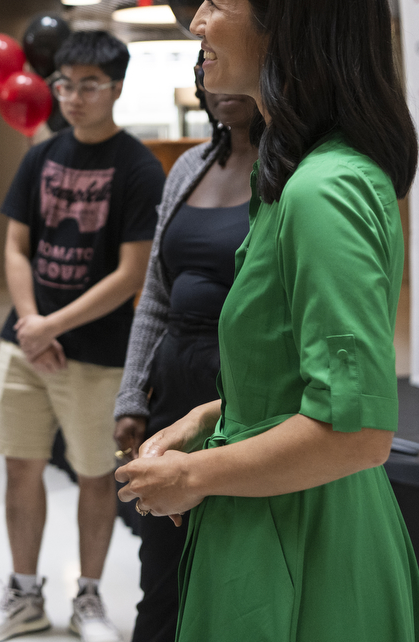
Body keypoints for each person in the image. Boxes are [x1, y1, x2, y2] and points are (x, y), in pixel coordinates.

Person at [115, 0, 419, 641]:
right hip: (268, 512)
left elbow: (356, 432)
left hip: (305, 537)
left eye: (216, 4)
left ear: (283, 22)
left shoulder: (325, 189)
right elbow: (297, 380)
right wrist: (208, 418)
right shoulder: (294, 177)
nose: (196, 25)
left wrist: (192, 477)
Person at [0, 31, 165, 642]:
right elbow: (16, 246)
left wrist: (53, 325)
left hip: (98, 349)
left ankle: (89, 598)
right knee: (20, 467)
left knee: (95, 475)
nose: (73, 97)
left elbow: (132, 272)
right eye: (64, 84)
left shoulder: (135, 166)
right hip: (25, 342)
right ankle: (24, 595)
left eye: (88, 85)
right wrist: (32, 325)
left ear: (117, 89)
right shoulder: (41, 155)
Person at [112, 67, 259, 642]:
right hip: (174, 383)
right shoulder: (189, 167)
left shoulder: (291, 172)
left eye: (231, 67)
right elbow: (154, 296)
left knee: (235, 564)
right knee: (163, 570)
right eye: (207, 71)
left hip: (243, 391)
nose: (218, 83)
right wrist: (132, 393)